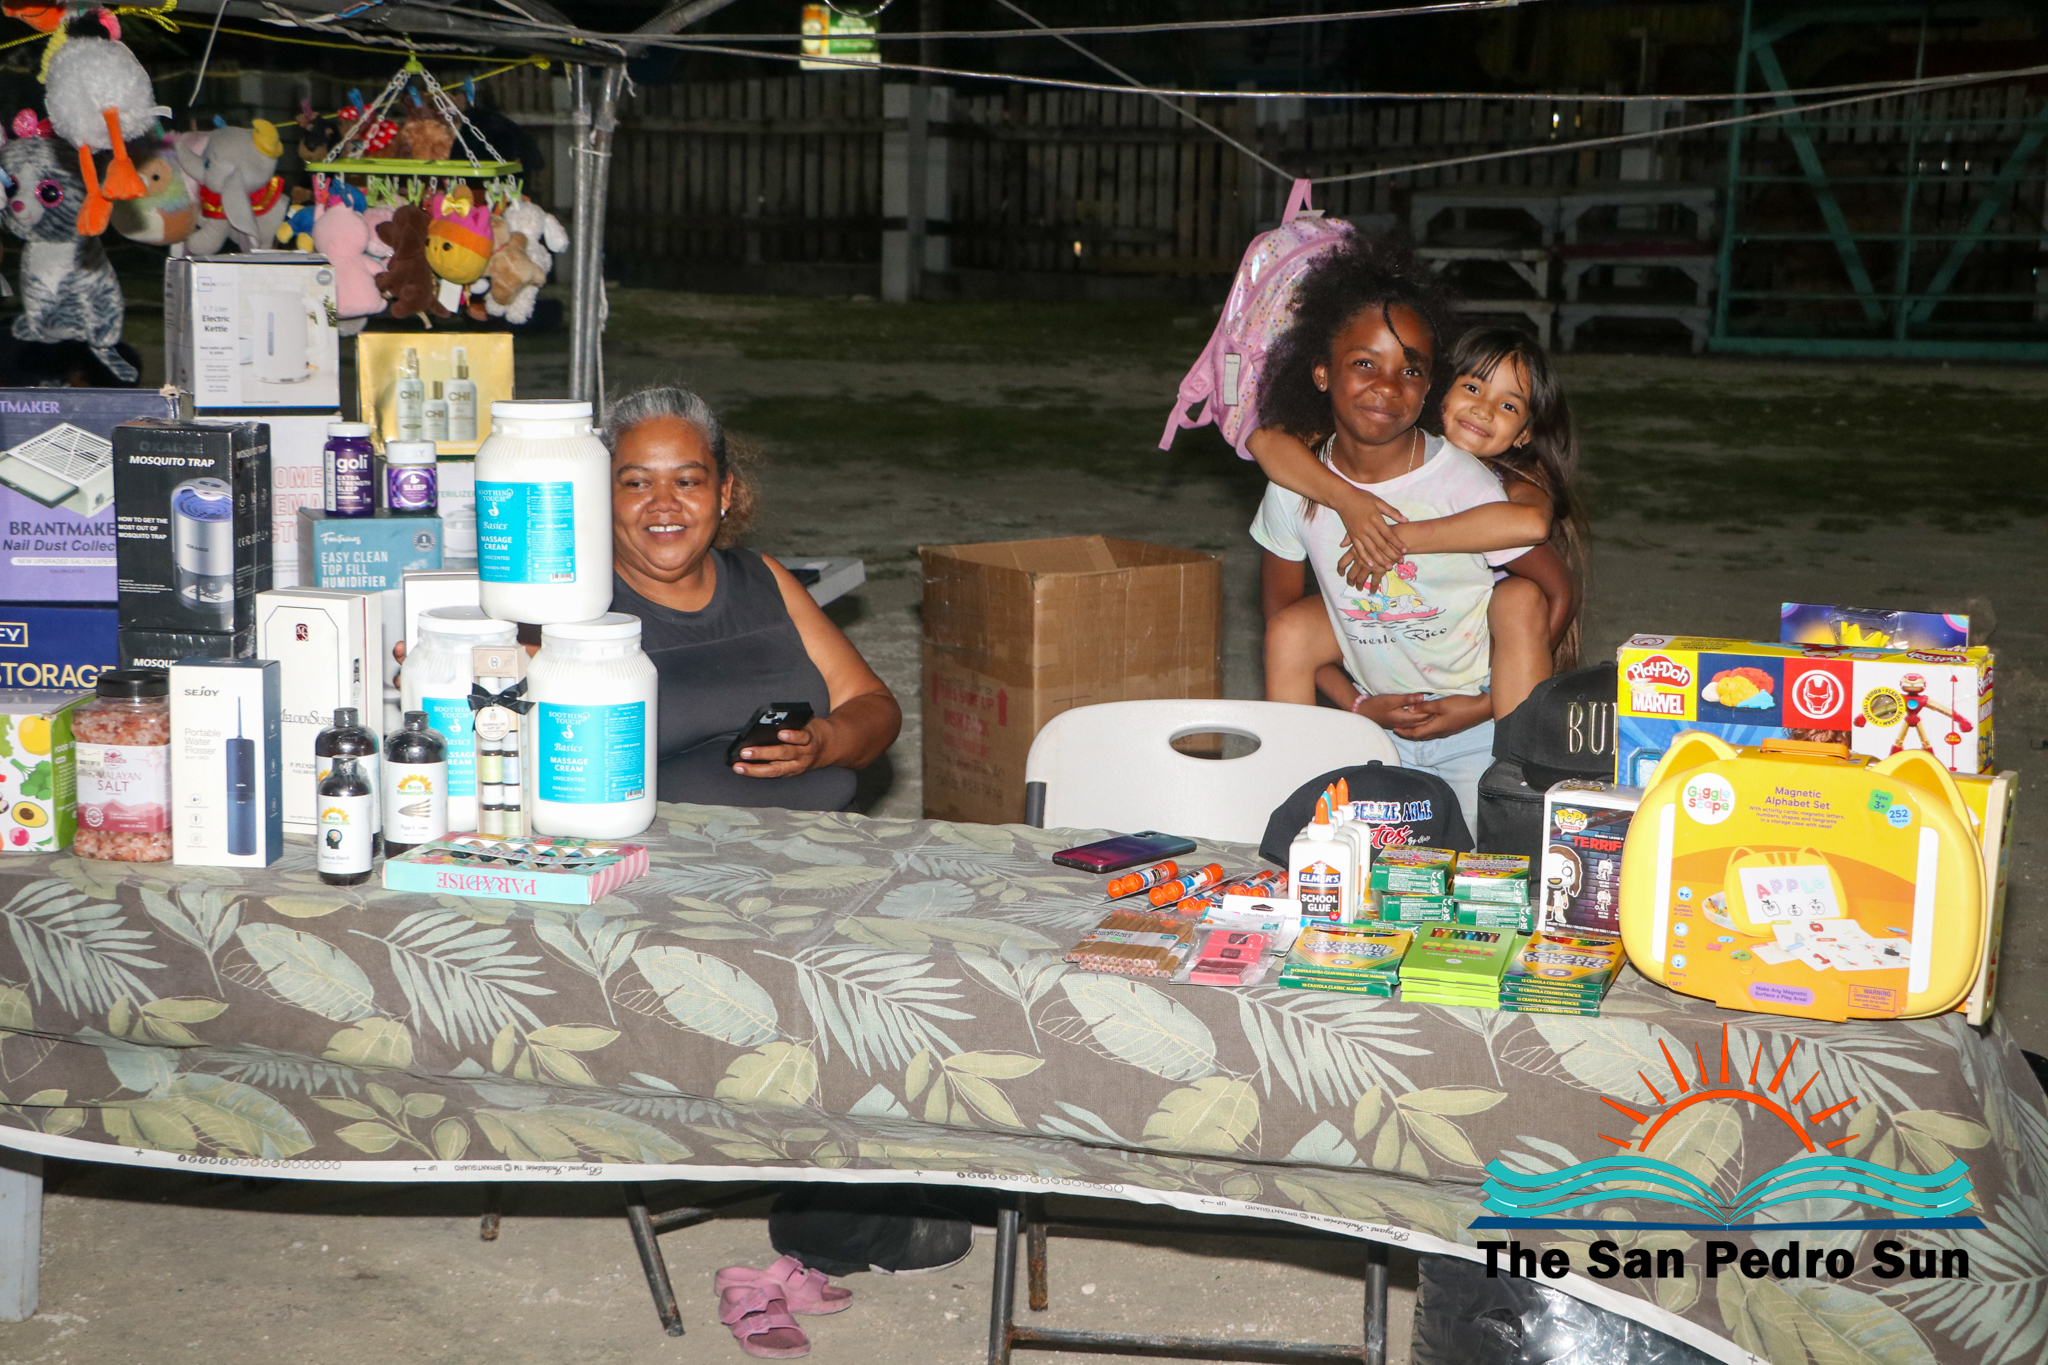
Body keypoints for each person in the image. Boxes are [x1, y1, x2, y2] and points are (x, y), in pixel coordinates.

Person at [1240, 234, 1551, 830]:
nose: (1387, 385)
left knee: (1496, 856)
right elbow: (1282, 621)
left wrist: (1483, 705)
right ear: (1322, 372)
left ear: (1429, 387)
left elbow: (1542, 592)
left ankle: (1520, 793)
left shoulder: (1462, 480)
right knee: (1349, 856)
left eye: (1410, 370)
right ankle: (1290, 796)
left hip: (1476, 723)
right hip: (1371, 725)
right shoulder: (1295, 484)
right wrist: (1356, 704)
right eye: (1365, 363)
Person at [1257, 325, 1587, 722]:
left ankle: (1516, 752)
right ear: (1437, 389)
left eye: (1509, 406)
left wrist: (1397, 538)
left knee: (1519, 598)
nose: (1484, 410)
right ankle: (1295, 755)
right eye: (1473, 388)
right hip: (1386, 631)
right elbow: (1265, 441)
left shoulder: (1512, 486)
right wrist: (1347, 500)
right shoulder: (1379, 437)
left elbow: (1534, 527)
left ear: (1524, 434)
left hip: (1475, 644)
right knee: (1291, 630)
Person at [601, 385, 901, 810]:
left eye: (687, 481)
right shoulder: (576, 612)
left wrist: (824, 742)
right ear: (600, 494)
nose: (663, 503)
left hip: (822, 840)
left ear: (723, 492)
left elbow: (872, 704)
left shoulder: (762, 578)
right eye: (637, 483)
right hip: (666, 850)